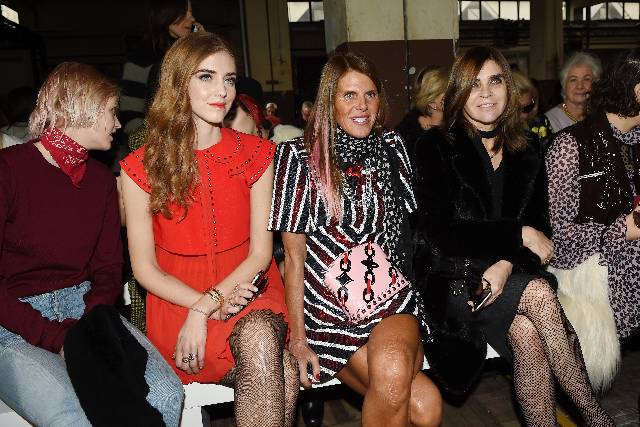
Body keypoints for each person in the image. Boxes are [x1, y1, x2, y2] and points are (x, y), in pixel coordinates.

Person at [413, 46, 613, 426]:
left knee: (526, 331)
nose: (486, 93)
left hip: (512, 277)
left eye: (495, 80)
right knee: (539, 292)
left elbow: (543, 238)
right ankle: (594, 416)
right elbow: (441, 235)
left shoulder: (529, 151)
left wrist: (506, 262)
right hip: (457, 281)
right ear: (458, 93)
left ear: (508, 87)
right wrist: (516, 233)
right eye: (473, 85)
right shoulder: (436, 146)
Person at [120, 32, 298, 426]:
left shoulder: (257, 153)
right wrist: (197, 308)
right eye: (207, 77)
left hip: (249, 288)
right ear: (178, 82)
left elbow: (260, 254)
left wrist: (207, 306)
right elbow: (144, 270)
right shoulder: (139, 167)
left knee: (259, 338)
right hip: (177, 304)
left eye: (230, 79)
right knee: (279, 369)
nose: (222, 91)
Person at [0, 62, 183, 426]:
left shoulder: (100, 180)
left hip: (85, 309)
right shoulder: (8, 171)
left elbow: (107, 270)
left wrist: (92, 326)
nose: (118, 124)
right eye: (112, 112)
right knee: (74, 417)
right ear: (80, 108)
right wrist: (56, 337)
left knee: (167, 395)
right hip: (12, 320)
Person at [270, 52, 442, 427]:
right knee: (424, 407)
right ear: (329, 100)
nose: (361, 105)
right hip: (327, 306)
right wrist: (297, 339)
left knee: (401, 377)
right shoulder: (298, 157)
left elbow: (411, 233)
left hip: (387, 292)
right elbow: (293, 259)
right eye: (349, 95)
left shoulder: (392, 147)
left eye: (369, 94)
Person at [546, 50, 640, 392]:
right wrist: (622, 230)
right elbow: (563, 241)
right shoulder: (570, 145)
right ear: (631, 90)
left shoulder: (635, 142)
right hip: (594, 272)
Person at [120, 0, 202, 134]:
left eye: (191, 13)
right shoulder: (142, 57)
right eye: (184, 13)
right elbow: (130, 116)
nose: (192, 18)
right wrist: (154, 145)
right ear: (166, 15)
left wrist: (201, 44)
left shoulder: (190, 52)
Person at [395, 67, 448, 166]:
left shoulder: (459, 128)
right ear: (432, 103)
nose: (455, 96)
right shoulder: (413, 137)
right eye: (448, 93)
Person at [544, 52, 602, 134]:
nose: (580, 86)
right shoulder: (549, 121)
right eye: (573, 80)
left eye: (587, 79)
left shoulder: (601, 117)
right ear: (564, 85)